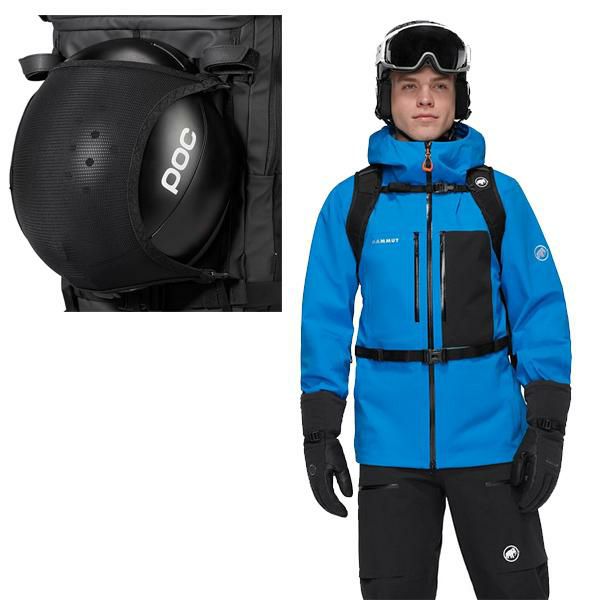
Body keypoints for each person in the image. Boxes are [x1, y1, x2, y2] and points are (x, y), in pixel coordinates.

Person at [300, 20, 571, 600]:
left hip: (492, 444)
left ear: (458, 98)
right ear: (387, 98)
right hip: (390, 449)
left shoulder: (496, 198)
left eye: (439, 86)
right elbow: (325, 318)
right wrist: (319, 429)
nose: (425, 99)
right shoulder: (352, 203)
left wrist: (547, 425)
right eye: (409, 86)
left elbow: (540, 307)